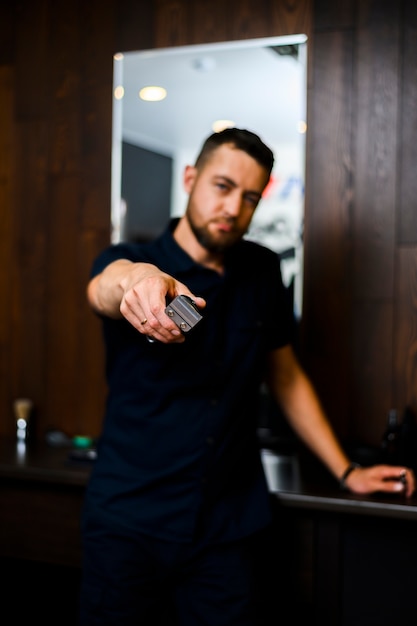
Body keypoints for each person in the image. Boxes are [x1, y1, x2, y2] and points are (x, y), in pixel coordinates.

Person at [79, 127, 415, 626]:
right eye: (222, 186)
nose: (234, 208)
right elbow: (105, 287)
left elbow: (285, 376)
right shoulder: (134, 260)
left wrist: (346, 470)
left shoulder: (261, 270)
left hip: (227, 526)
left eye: (250, 196)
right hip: (130, 522)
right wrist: (138, 280)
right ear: (190, 179)